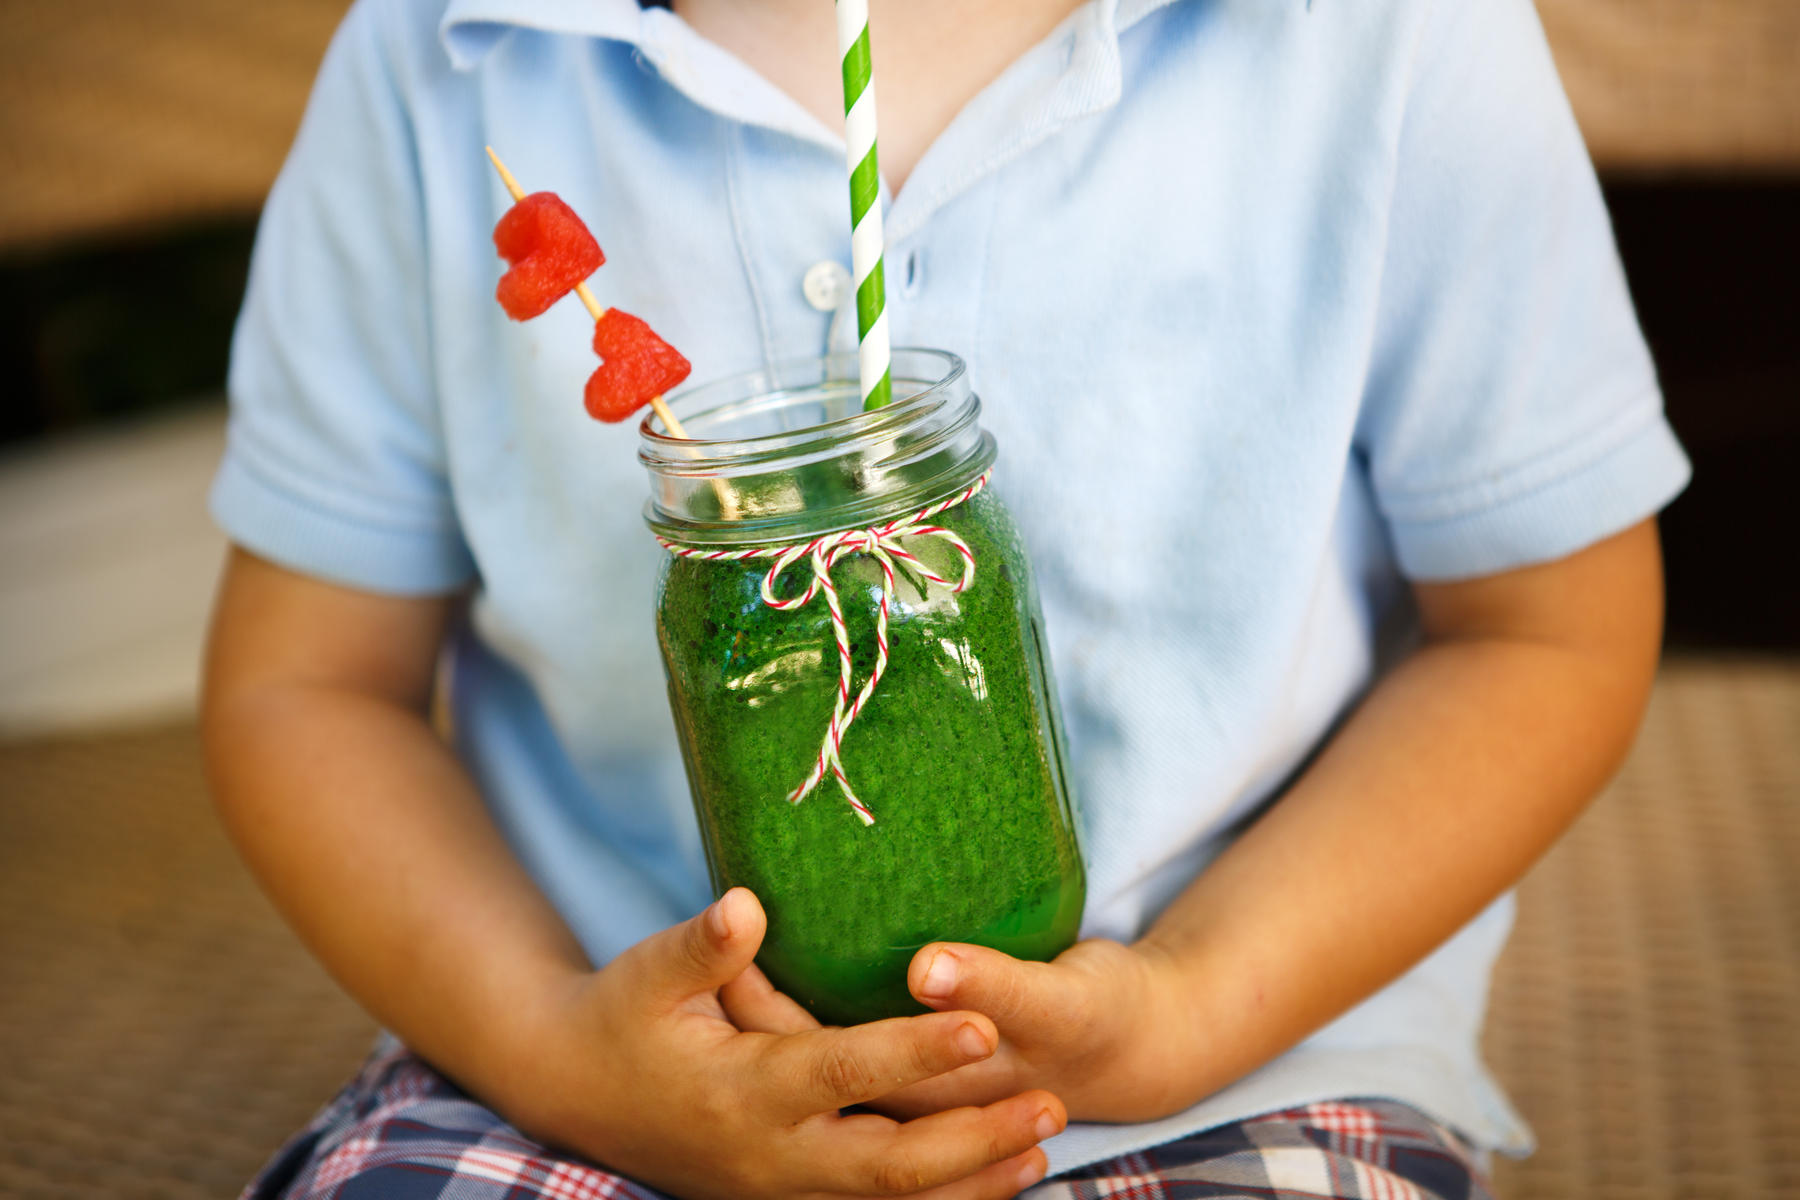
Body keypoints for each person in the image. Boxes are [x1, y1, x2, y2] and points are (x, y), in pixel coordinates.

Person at [201, 0, 1690, 1196]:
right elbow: (310, 684)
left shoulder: (1388, 31)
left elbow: (1545, 632)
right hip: (591, 1078)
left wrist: (1192, 1004)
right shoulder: (443, 52)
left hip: (1252, 1056)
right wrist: (551, 1045)